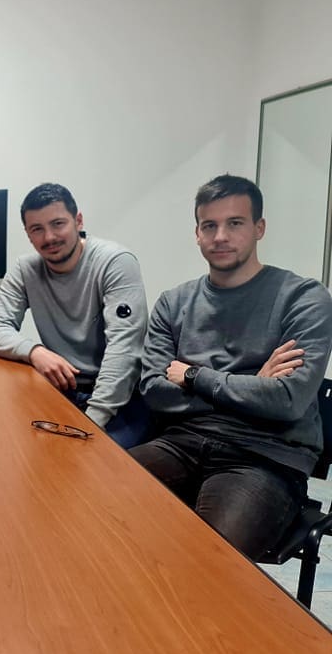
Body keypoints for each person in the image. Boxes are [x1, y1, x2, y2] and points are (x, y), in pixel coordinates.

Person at [130, 174, 332, 560]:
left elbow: (287, 401)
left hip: (265, 456)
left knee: (208, 562)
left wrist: (194, 376)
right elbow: (154, 391)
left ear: (259, 228)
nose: (220, 236)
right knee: (94, 501)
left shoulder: (304, 298)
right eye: (209, 225)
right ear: (197, 233)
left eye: (235, 223)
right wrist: (252, 385)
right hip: (182, 443)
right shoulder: (174, 303)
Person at [0, 183, 149, 448]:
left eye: (58, 224)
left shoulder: (115, 261)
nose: (49, 237)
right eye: (37, 229)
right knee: (4, 442)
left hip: (120, 399)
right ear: (28, 234)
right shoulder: (26, 269)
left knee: (88, 460)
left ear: (78, 221)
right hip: (63, 390)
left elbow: (124, 350)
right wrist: (35, 351)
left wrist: (90, 421)